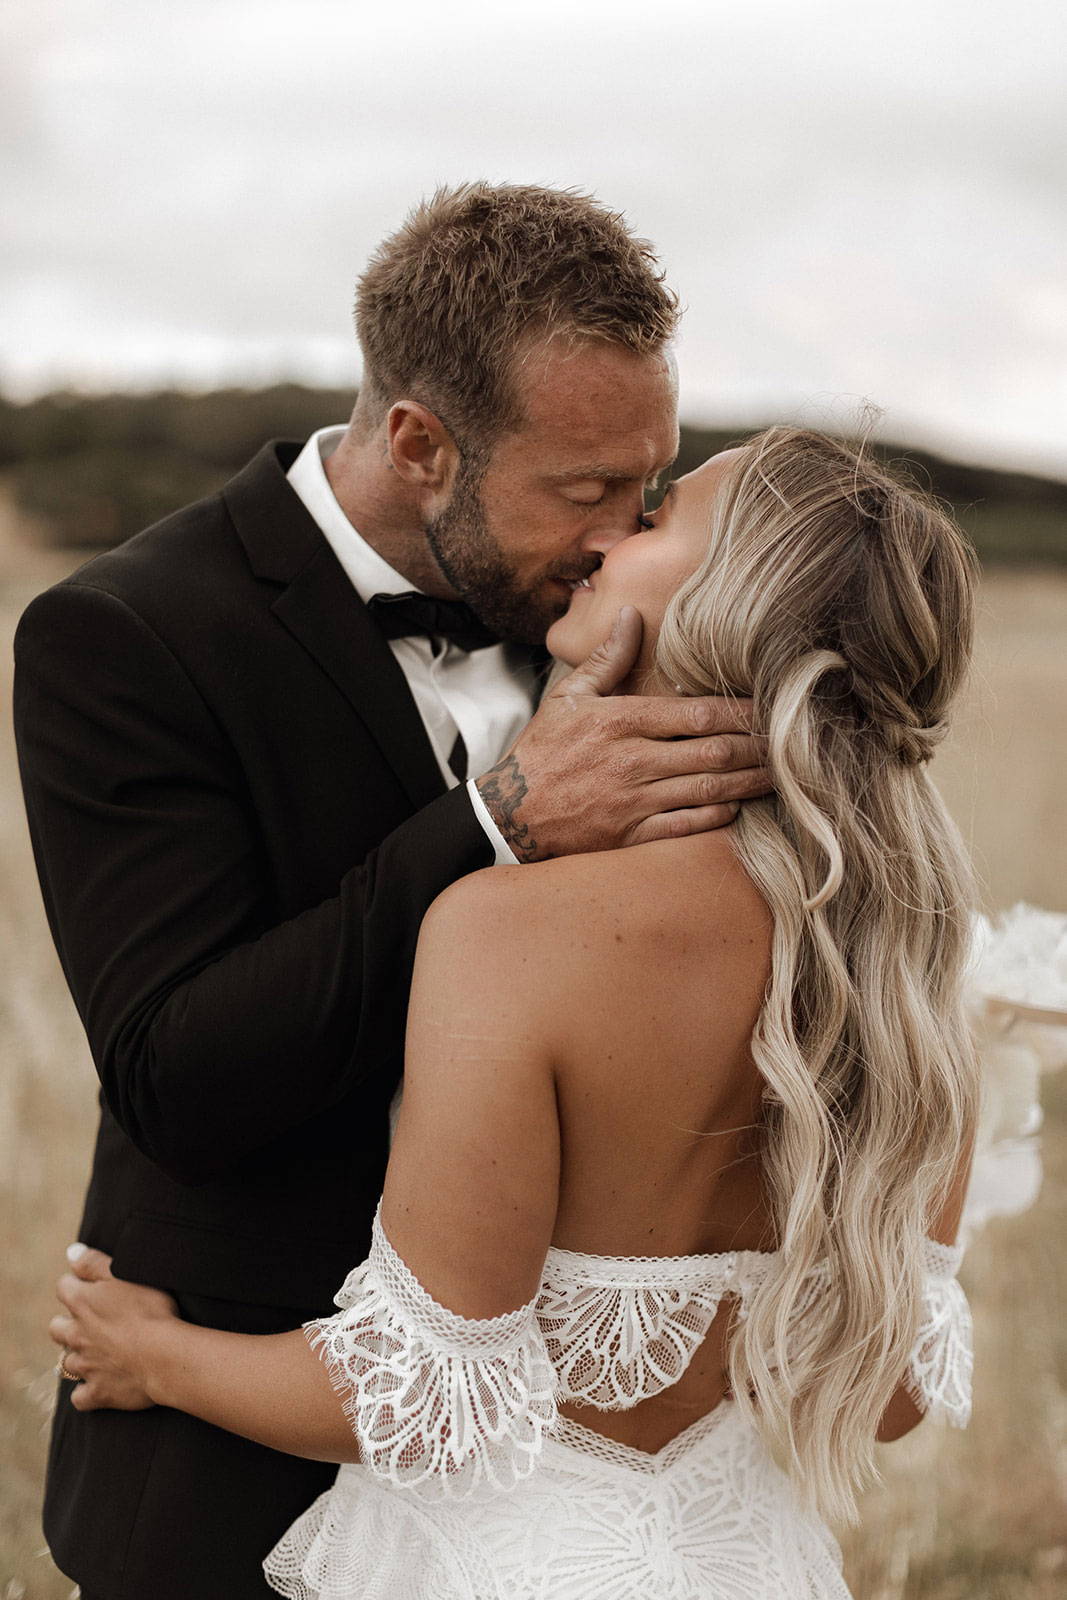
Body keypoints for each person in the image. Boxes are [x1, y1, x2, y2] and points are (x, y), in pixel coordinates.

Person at [49, 427, 982, 1599]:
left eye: (655, 520)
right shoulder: (912, 963)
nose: (609, 534)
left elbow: (426, 1403)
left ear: (726, 597)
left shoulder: (510, 933)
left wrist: (156, 1360)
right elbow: (890, 1398)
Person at [13, 183, 768, 1600]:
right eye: (584, 489)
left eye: (648, 484)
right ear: (420, 443)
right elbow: (178, 1073)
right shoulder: (124, 636)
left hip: (566, 1471)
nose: (619, 536)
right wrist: (495, 825)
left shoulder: (624, 616)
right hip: (232, 1449)